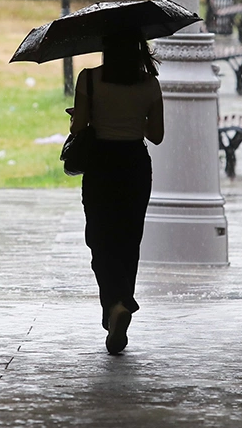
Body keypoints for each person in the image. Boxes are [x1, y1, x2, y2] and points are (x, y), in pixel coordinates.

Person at [69, 30, 164, 355]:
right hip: (135, 164)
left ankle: (116, 304)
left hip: (101, 163)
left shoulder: (90, 79)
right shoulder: (149, 83)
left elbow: (79, 126)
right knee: (128, 240)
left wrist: (86, 115)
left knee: (99, 238)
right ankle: (118, 306)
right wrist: (136, 118)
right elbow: (157, 135)